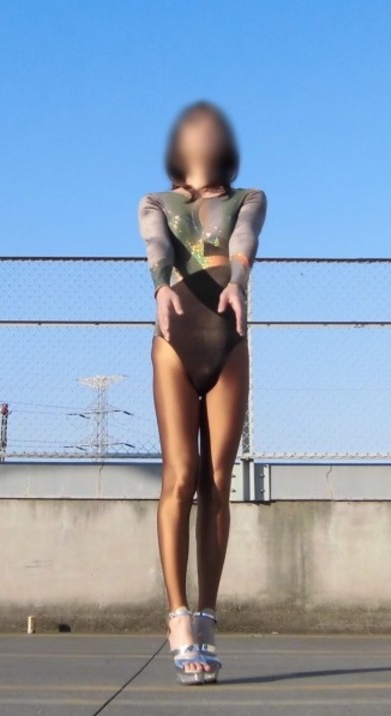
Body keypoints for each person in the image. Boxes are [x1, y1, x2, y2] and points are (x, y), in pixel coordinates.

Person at [137, 100, 267, 685]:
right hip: (174, 339)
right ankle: (178, 617)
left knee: (217, 481)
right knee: (180, 477)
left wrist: (238, 282)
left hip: (227, 339)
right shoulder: (155, 201)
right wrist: (161, 285)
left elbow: (244, 237)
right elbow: (157, 244)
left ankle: (208, 614)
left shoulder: (249, 196)